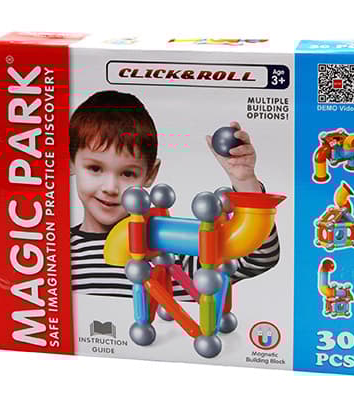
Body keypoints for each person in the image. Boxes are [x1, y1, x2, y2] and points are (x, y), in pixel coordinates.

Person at [70, 90, 280, 300]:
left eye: (127, 173)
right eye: (95, 168)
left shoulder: (173, 247)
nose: (110, 187)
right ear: (70, 163)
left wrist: (244, 180)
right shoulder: (57, 251)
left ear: (150, 174)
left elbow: (258, 257)